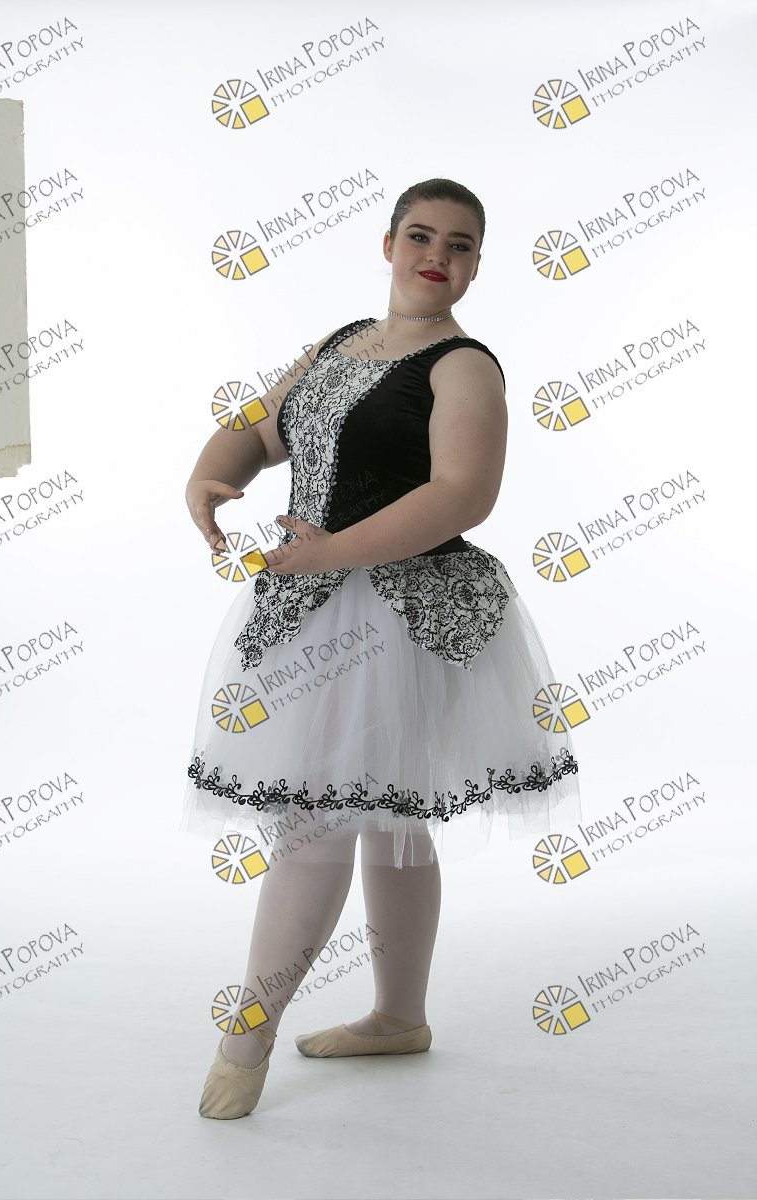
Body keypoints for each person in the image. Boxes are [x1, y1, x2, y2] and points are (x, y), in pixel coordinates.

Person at [181, 178, 582, 1119]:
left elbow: (462, 494)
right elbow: (259, 429)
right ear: (389, 242)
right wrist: (207, 475)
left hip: (402, 613)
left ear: (477, 265)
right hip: (313, 603)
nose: (437, 255)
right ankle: (399, 1018)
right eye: (421, 235)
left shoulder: (464, 367)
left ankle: (246, 1040)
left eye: (460, 244)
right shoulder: (339, 343)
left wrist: (331, 552)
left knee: (319, 820)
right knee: (383, 818)